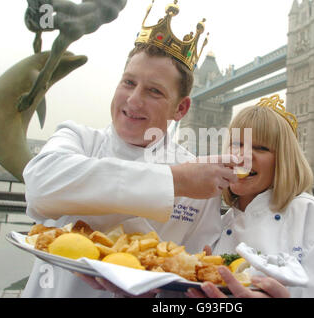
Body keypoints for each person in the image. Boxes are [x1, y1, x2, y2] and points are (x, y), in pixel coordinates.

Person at [20, 2, 239, 297]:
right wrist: (177, 181)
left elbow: (196, 272)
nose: (134, 100)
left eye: (154, 91)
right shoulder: (78, 139)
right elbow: (39, 186)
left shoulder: (198, 176)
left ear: (181, 108)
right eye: (129, 82)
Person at [186, 96, 314, 298]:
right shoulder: (216, 223)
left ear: (284, 161)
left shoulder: (312, 217)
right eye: (236, 144)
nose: (242, 156)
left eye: (260, 148)